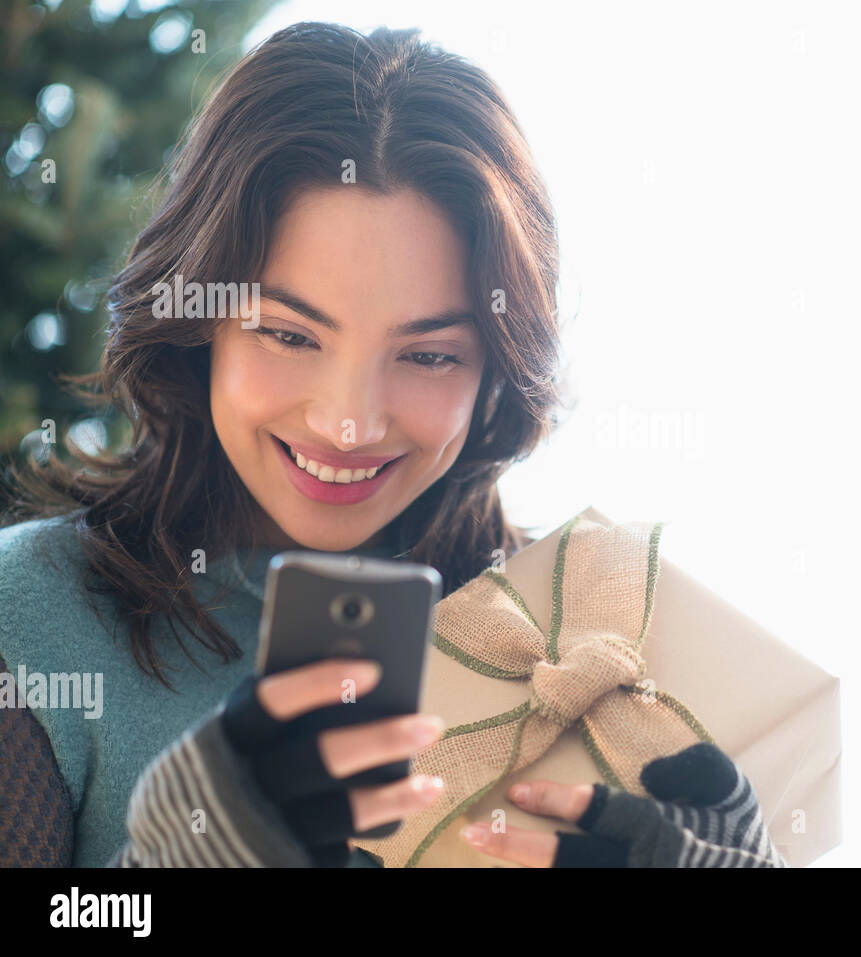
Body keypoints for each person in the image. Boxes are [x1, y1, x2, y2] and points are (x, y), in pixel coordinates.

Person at [0, 21, 784, 868]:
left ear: (495, 368)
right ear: (200, 322)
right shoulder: (34, 622)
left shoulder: (591, 647)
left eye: (428, 355)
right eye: (291, 335)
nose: (351, 422)